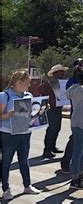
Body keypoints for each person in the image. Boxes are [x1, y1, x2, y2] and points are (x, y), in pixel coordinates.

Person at [1, 70, 42, 200]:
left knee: (24, 160)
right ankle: (6, 189)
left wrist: (40, 112)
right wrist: (10, 114)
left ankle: (27, 185)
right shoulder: (5, 96)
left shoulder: (28, 95)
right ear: (18, 83)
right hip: (9, 134)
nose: (29, 86)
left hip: (25, 133)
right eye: (27, 83)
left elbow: (30, 115)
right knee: (6, 162)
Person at [39, 64, 68, 159]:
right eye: (61, 72)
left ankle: (52, 146)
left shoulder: (61, 83)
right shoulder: (50, 83)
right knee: (52, 129)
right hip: (51, 108)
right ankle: (47, 150)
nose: (63, 74)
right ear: (56, 73)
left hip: (58, 107)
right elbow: (40, 89)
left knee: (57, 128)